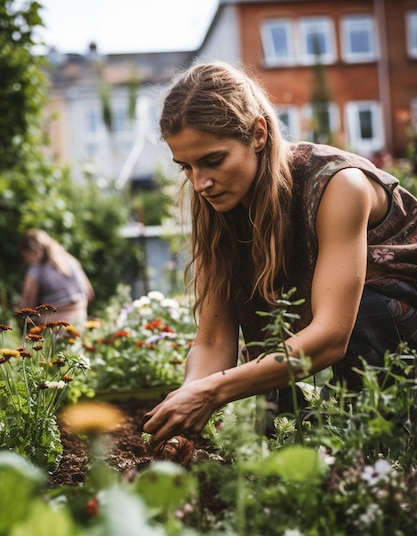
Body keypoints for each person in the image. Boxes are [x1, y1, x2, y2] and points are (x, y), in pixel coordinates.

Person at [143, 60, 417, 442]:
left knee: (365, 312)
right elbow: (213, 340)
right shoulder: (216, 203)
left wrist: (213, 392)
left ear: (258, 134)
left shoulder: (339, 186)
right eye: (185, 166)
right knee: (276, 356)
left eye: (213, 160)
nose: (200, 182)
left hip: (395, 333)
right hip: (317, 336)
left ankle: (387, 446)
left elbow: (330, 336)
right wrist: (189, 406)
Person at [19, 229, 94, 328]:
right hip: (80, 319)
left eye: (26, 257)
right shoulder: (70, 259)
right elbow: (89, 293)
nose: (26, 262)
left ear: (30, 251)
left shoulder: (36, 268)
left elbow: (27, 305)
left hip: (54, 326)